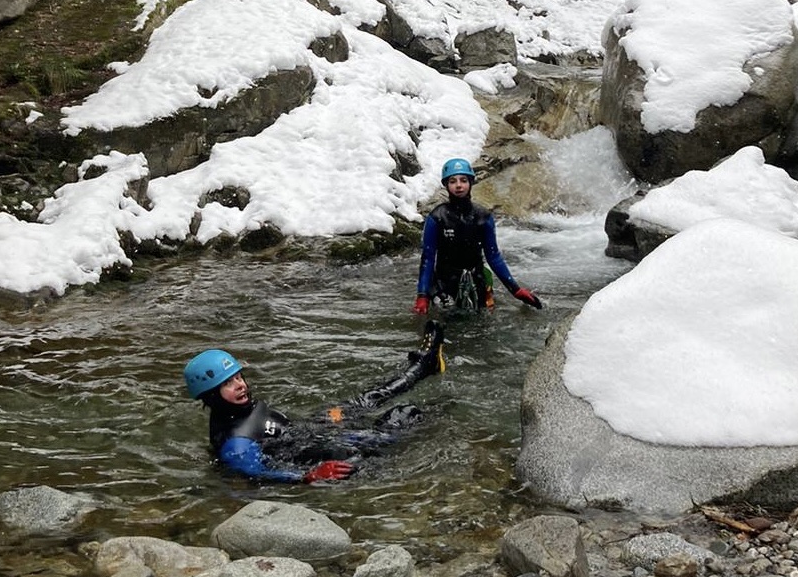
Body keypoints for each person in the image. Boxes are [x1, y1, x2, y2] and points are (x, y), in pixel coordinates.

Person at [184, 321, 446, 483]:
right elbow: (258, 473)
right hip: (328, 444)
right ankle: (446, 410)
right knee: (405, 413)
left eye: (239, 377)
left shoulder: (237, 411)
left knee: (362, 401)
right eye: (228, 384)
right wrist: (308, 476)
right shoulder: (236, 444)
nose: (240, 385)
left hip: (318, 424)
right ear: (211, 395)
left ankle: (423, 366)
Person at [413, 158, 543, 315]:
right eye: (453, 181)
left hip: (477, 281)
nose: (459, 185)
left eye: (463, 180)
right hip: (444, 284)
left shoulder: (483, 217)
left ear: (471, 183)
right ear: (446, 185)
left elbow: (493, 256)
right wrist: (422, 295)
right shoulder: (437, 217)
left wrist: (515, 289)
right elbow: (428, 258)